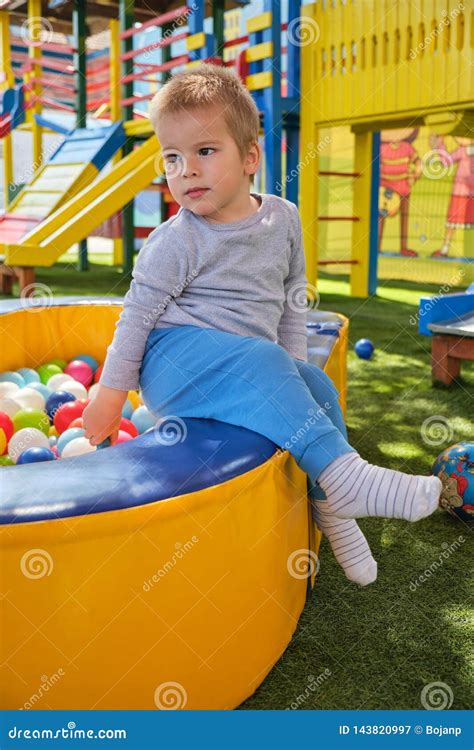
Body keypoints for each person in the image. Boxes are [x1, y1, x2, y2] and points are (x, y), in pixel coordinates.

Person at [83, 64, 441, 587]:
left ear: (249, 157)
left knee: (315, 384)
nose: (186, 170)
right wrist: (110, 396)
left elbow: (291, 300)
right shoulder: (174, 241)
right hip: (174, 365)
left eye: (205, 151)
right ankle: (347, 478)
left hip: (242, 363)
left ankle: (332, 511)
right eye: (172, 157)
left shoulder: (283, 219)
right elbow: (136, 317)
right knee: (267, 360)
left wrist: (294, 366)